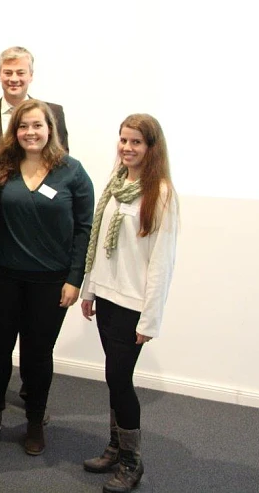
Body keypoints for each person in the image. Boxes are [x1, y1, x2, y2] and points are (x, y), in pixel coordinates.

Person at [0, 100, 93, 456]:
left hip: (50, 281)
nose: (30, 132)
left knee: (37, 354)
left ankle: (34, 420)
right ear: (15, 131)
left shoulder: (71, 172)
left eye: (37, 126)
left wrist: (75, 279)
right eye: (23, 126)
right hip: (2, 277)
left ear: (50, 129)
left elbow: (84, 230)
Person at [0, 45, 69, 413]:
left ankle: (30, 391)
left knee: (34, 332)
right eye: (8, 73)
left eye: (21, 73)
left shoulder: (52, 114)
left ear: (31, 75)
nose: (14, 79)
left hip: (33, 234)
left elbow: (60, 165)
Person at [81, 114, 178, 493]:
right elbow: (99, 245)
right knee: (113, 376)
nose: (127, 147)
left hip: (132, 305)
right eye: (123, 140)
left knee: (120, 379)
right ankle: (115, 446)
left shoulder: (161, 193)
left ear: (151, 148)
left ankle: (132, 463)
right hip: (106, 297)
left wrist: (149, 320)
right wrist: (90, 291)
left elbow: (161, 262)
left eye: (136, 142)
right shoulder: (116, 185)